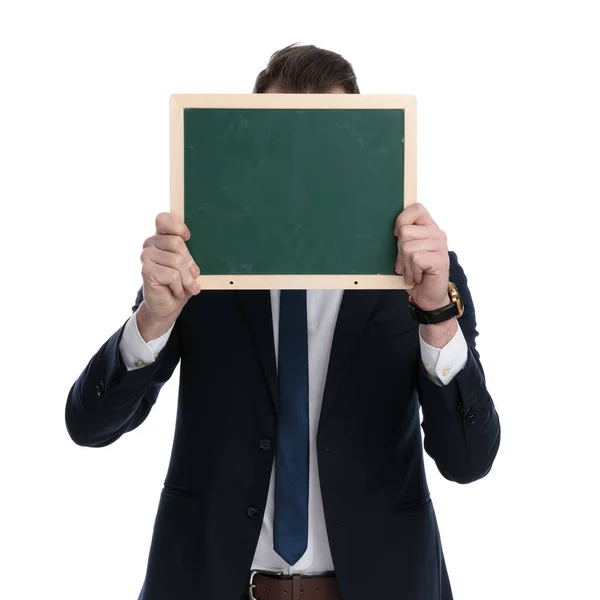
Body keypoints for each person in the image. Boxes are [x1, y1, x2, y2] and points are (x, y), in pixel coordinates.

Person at [65, 44, 501, 600]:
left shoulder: (422, 274)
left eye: (325, 141)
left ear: (359, 152)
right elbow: (89, 424)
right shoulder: (203, 264)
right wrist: (153, 317)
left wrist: (437, 316)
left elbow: (469, 460)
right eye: (284, 140)